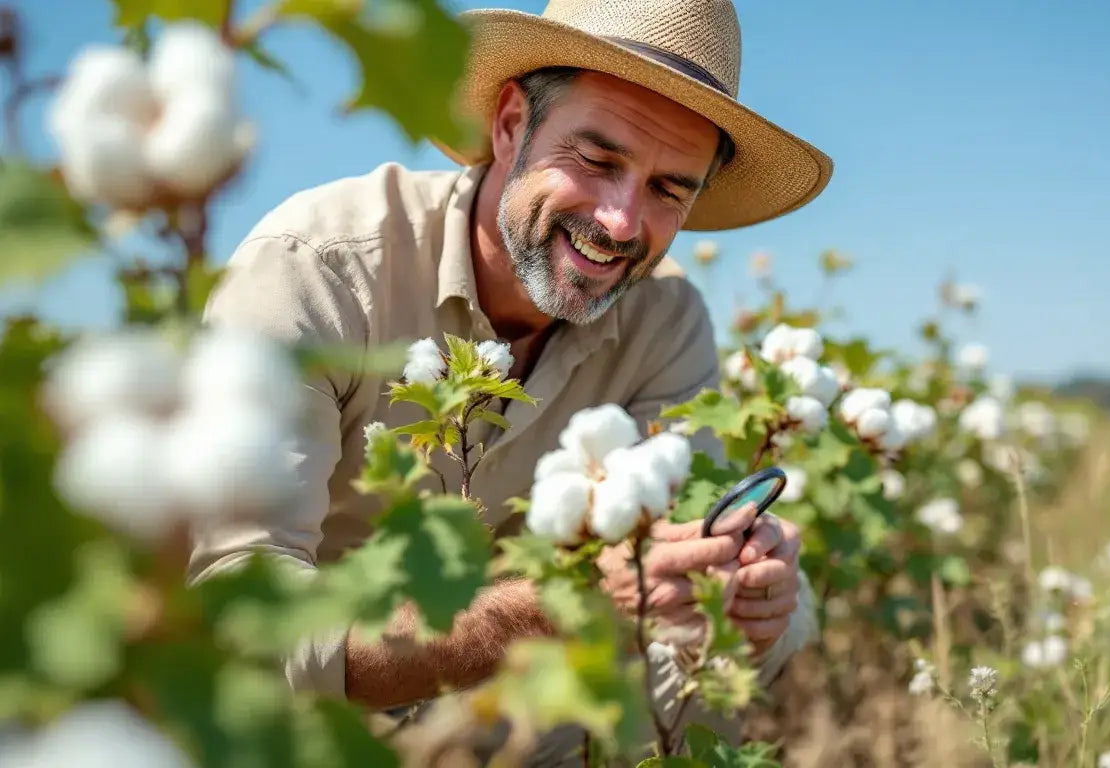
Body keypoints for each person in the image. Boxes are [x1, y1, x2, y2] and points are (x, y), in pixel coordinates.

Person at [187, 0, 832, 760]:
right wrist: (558, 611)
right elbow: (239, 625)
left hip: (513, 720)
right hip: (312, 727)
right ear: (508, 124)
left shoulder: (667, 322)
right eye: (597, 161)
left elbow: (687, 550)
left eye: (668, 190)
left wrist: (746, 587)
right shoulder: (319, 269)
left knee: (752, 625)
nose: (622, 223)